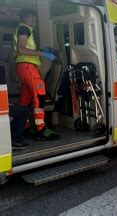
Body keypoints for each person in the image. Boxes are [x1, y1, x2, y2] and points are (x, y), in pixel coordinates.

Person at [13, 9, 60, 141]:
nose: (35, 21)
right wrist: (43, 54)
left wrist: (40, 51)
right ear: (28, 18)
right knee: (40, 96)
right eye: (34, 19)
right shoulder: (24, 29)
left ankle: (25, 127)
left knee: (25, 100)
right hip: (28, 67)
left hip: (23, 67)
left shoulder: (23, 30)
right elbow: (21, 49)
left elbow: (22, 50)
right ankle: (41, 130)